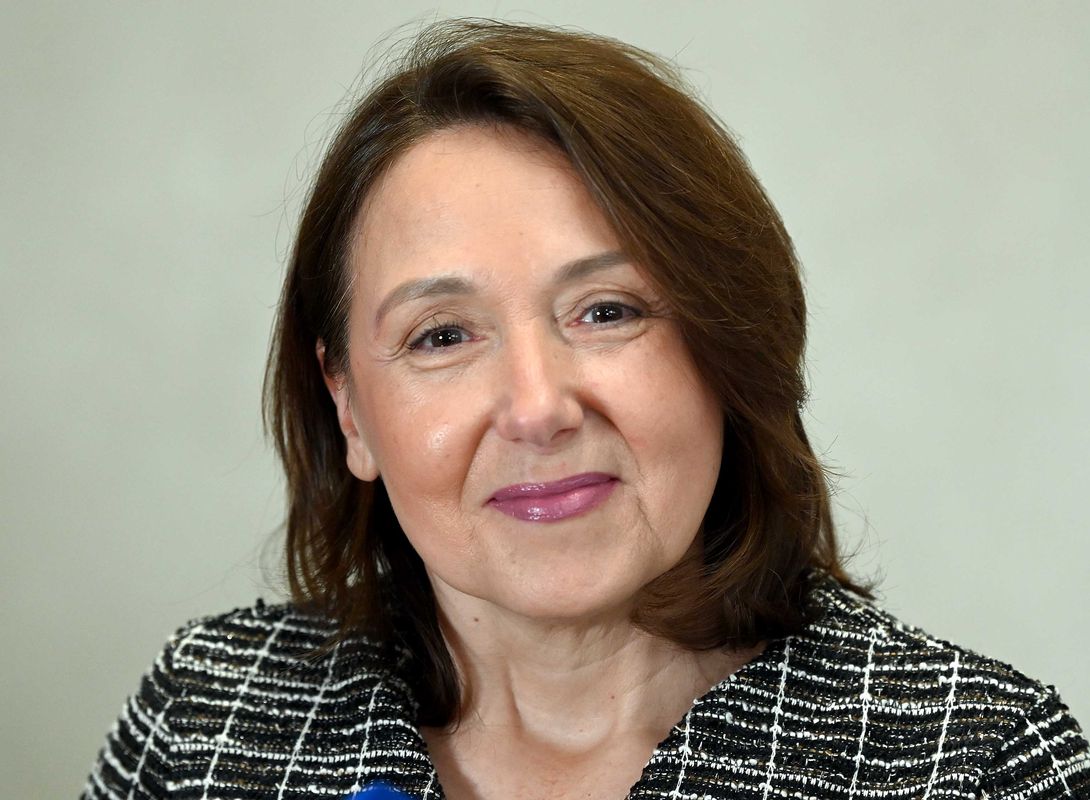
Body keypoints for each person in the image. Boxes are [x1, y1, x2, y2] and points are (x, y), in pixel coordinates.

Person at [82, 19, 1090, 800]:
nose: (536, 407)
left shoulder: (976, 762)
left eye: (607, 311)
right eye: (442, 334)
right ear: (347, 409)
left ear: (728, 350)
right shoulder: (205, 720)